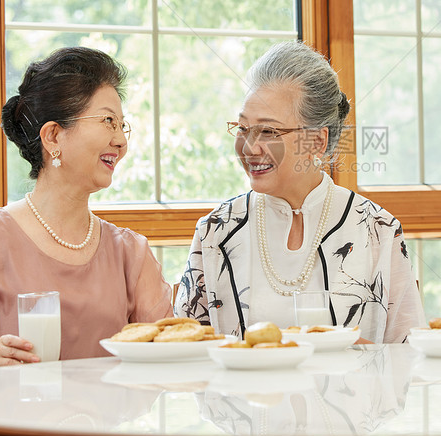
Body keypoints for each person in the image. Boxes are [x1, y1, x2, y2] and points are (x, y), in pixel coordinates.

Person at [0, 47, 174, 382]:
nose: (120, 140)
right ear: (53, 136)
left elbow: (168, 357)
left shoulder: (130, 253)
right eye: (107, 121)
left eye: (122, 125)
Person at [174, 41, 424, 343]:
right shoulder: (215, 231)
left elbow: (408, 359)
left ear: (317, 142)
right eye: (242, 129)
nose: (250, 148)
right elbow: (183, 353)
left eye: (268, 131)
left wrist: (358, 353)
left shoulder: (377, 229)